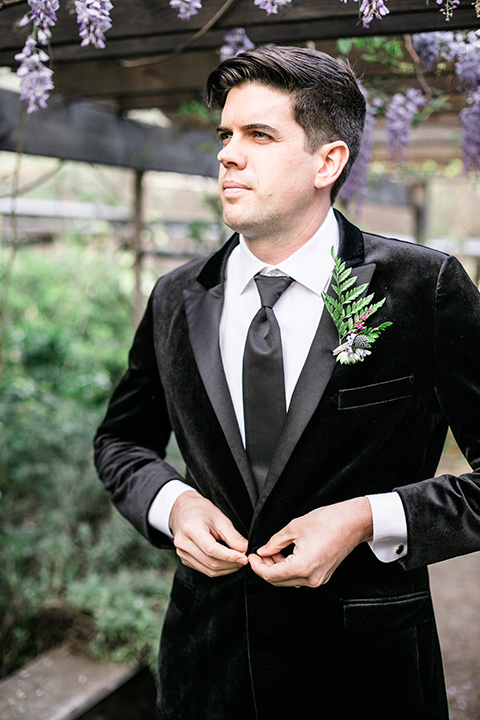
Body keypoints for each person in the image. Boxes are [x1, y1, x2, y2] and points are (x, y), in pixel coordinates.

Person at [94, 46, 480, 720]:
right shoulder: (176, 297)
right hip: (204, 675)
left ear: (327, 162)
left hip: (364, 680)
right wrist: (174, 504)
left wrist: (367, 518)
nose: (227, 155)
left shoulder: (424, 288)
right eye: (226, 135)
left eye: (259, 135)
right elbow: (122, 442)